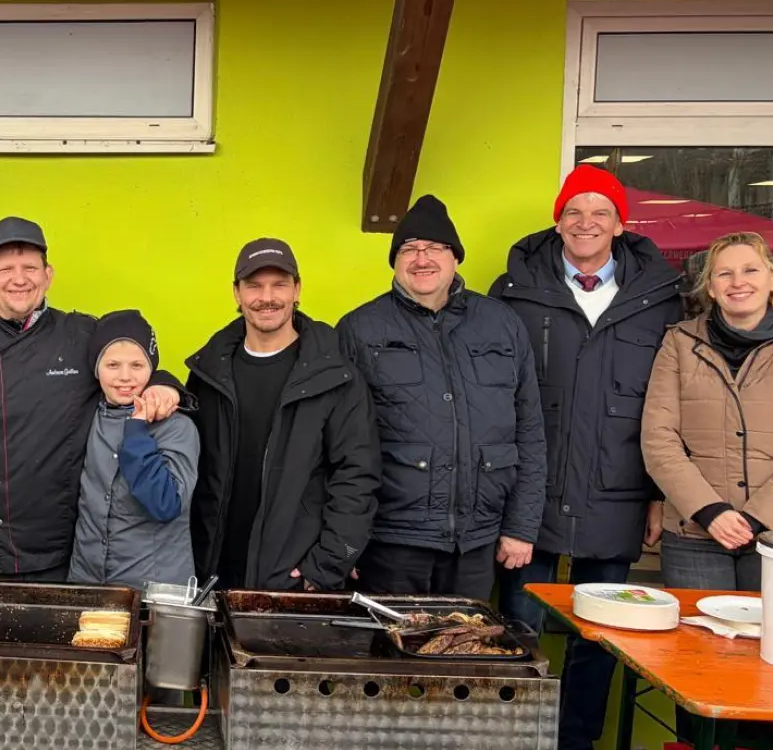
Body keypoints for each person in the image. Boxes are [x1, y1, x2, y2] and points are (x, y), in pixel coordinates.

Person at [488, 165, 683, 750]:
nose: (586, 223)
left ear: (621, 225)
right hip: (532, 491)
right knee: (520, 626)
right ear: (558, 221)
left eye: (600, 212)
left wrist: (656, 495)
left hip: (616, 489)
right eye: (574, 211)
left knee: (601, 635)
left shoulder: (660, 298)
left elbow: (668, 406)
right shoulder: (515, 290)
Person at [0, 216, 186, 580]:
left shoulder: (81, 336)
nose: (19, 278)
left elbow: (130, 362)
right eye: (6, 269)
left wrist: (166, 383)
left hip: (60, 561)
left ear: (48, 276)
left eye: (30, 267)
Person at [337, 196, 544, 600]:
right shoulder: (359, 329)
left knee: (464, 653)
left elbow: (530, 431)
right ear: (395, 261)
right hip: (391, 540)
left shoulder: (502, 324)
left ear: (455, 258)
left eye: (434, 248)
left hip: (477, 541)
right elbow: (337, 445)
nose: (422, 258)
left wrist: (521, 526)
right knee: (389, 656)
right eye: (409, 249)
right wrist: (346, 541)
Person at [642, 231, 773, 592]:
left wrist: (756, 517)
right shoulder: (679, 342)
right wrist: (710, 511)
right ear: (710, 288)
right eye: (724, 274)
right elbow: (659, 439)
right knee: (699, 645)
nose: (738, 282)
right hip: (695, 534)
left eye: (750, 270)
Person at [187, 240, 381, 591]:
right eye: (254, 286)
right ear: (236, 293)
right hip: (211, 571)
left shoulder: (336, 376)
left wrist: (328, 563)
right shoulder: (207, 373)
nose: (267, 297)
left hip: (291, 577)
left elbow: (357, 477)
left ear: (297, 289)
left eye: (279, 284)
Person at [67, 310, 201, 589]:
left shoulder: (177, 427)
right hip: (88, 581)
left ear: (152, 369)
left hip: (153, 591)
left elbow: (164, 504)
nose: (125, 377)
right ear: (96, 368)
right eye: (113, 365)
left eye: (137, 366)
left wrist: (137, 431)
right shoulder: (85, 416)